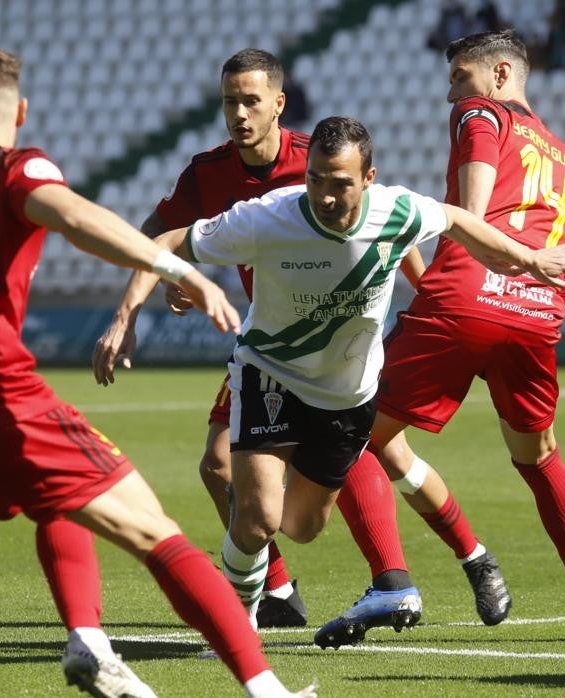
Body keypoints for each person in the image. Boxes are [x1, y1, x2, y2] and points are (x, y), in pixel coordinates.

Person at [0, 46, 314, 698]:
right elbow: (75, 217)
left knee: (60, 500)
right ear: (21, 111)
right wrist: (178, 269)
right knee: (159, 535)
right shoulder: (17, 169)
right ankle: (267, 691)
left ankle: (89, 642)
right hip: (0, 406)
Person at [127, 116, 565, 637]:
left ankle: (450, 557)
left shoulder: (397, 210)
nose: (324, 197)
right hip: (270, 373)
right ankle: (237, 623)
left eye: (340, 184)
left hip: (345, 395)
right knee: (258, 518)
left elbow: (457, 220)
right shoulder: (268, 216)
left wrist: (529, 258)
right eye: (315, 180)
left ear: (368, 179)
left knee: (302, 525)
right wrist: (127, 316)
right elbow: (167, 240)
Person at [94, 49, 417, 635]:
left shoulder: (317, 161)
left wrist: (425, 296)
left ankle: (395, 579)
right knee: (220, 467)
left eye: (250, 101)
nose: (239, 114)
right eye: (229, 102)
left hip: (340, 343)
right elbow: (157, 233)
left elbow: (391, 223)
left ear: (278, 104)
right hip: (273, 344)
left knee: (358, 450)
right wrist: (169, 279)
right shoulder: (207, 172)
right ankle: (278, 589)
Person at [368, 29, 565, 641]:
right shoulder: (564, 156)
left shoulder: (480, 113)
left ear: (501, 73)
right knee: (540, 457)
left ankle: (392, 584)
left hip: (467, 297)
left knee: (347, 433)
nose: (451, 93)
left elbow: (472, 217)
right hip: (535, 313)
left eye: (461, 76)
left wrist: (458, 254)